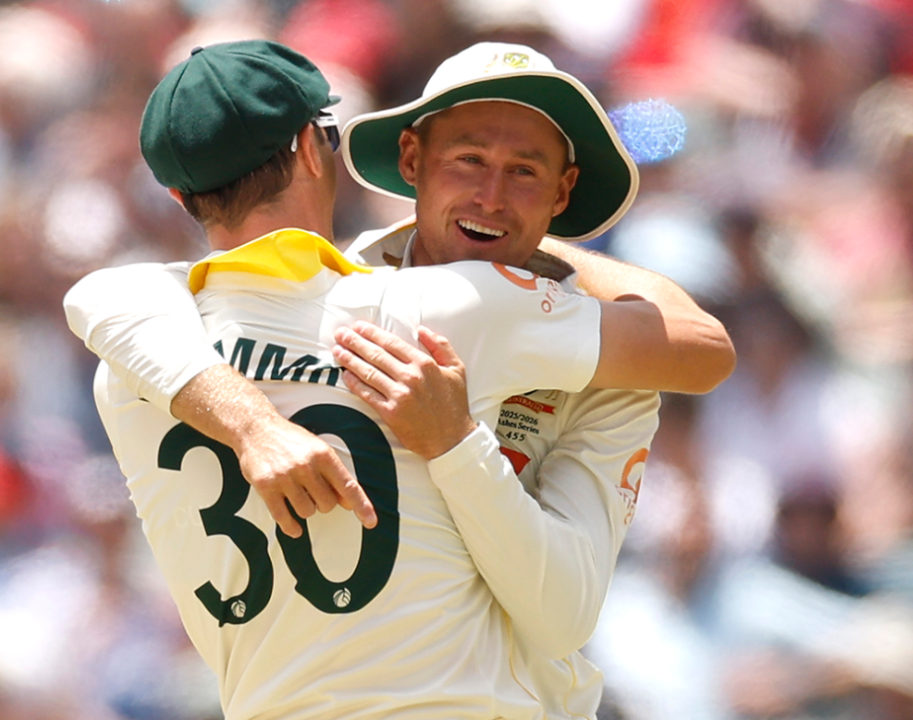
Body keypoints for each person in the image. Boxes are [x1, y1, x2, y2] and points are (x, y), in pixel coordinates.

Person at [67, 41, 735, 717]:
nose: (492, 196)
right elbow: (704, 347)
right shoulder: (441, 307)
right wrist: (455, 445)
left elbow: (102, 298)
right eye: (470, 160)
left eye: (525, 173)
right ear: (319, 150)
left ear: (179, 194)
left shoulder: (129, 368)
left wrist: (252, 423)